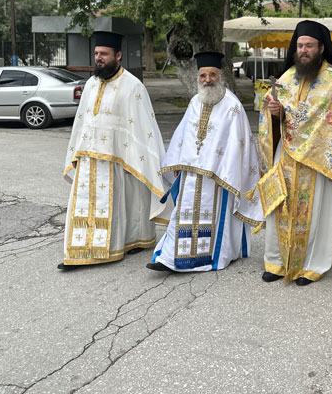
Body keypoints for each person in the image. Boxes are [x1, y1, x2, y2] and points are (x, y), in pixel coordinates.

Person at [257, 20, 332, 285]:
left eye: (309, 46)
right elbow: (274, 114)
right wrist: (274, 113)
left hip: (318, 160)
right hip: (286, 156)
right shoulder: (287, 77)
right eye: (300, 46)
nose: (303, 50)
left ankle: (311, 265)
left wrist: (292, 120)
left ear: (321, 48)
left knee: (316, 212)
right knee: (281, 206)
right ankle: (277, 261)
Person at [147, 52, 264, 273]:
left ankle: (210, 257)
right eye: (203, 75)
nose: (207, 80)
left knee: (214, 218)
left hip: (218, 176)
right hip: (191, 174)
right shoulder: (195, 102)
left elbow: (239, 145)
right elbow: (182, 136)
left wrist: (227, 173)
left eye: (212, 74)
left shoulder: (233, 106)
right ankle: (170, 257)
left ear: (220, 76)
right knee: (183, 214)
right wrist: (177, 163)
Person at [59, 31, 167, 270]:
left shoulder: (133, 85)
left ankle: (118, 245)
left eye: (104, 54)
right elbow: (82, 121)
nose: (99, 58)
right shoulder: (91, 83)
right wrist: (76, 152)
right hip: (88, 157)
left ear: (118, 55)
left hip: (118, 159)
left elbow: (142, 126)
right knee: (83, 204)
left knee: (120, 205)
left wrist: (136, 160)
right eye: (96, 53)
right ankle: (79, 251)